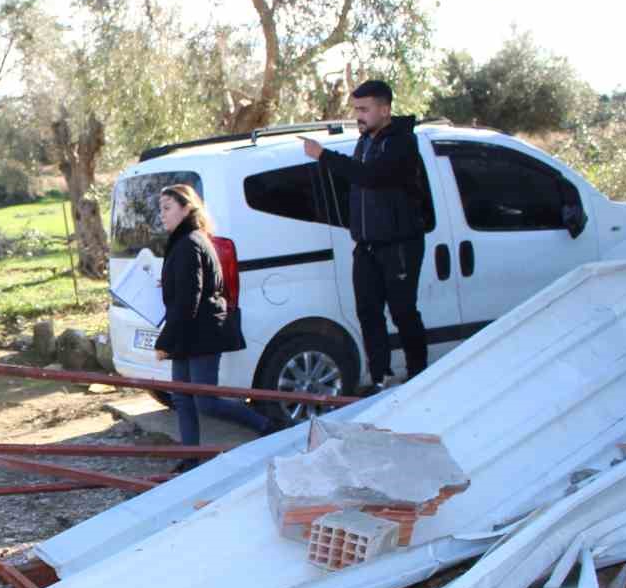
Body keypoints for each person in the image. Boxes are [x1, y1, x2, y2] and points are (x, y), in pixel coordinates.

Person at [302, 78, 429, 390]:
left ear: (385, 109)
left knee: (402, 311)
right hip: (367, 246)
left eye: (364, 109)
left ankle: (420, 375)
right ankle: (381, 377)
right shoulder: (365, 141)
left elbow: (371, 177)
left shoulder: (400, 142)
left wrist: (324, 156)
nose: (358, 115)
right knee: (368, 313)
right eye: (356, 109)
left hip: (398, 244)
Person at [152, 184, 276, 461]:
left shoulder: (189, 243)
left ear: (186, 209)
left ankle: (266, 426)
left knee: (205, 401)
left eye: (168, 208)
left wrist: (164, 342)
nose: (162, 215)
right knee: (182, 398)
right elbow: (189, 287)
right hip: (188, 332)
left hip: (202, 334)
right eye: (161, 209)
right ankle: (190, 459)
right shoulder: (184, 241)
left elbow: (188, 301)